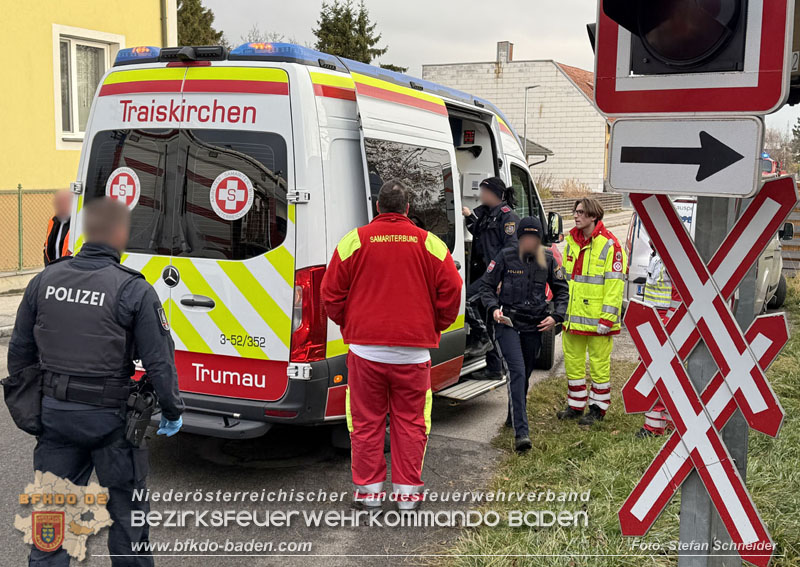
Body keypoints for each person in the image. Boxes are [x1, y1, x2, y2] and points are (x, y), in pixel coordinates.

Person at [7, 197, 184, 566]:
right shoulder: (133, 289)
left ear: (85, 231)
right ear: (121, 234)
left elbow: (19, 354)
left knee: (51, 526)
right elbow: (159, 362)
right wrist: (171, 410)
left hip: (55, 417)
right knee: (128, 521)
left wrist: (34, 412)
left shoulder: (45, 280)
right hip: (112, 423)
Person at [321, 180, 462, 512]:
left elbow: (330, 294)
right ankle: (407, 497)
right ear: (407, 209)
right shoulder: (432, 245)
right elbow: (452, 292)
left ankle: (368, 495)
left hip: (365, 353)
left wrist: (350, 322)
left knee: (366, 422)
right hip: (413, 355)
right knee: (411, 423)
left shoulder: (353, 242)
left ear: (378, 208)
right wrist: (435, 324)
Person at [479, 217, 569, 452]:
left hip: (534, 326)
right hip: (507, 323)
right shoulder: (505, 256)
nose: (530, 241)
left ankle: (513, 413)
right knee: (517, 371)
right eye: (525, 237)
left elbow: (562, 291)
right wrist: (493, 309)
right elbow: (486, 287)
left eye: (534, 237)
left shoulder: (547, 259)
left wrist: (557, 316)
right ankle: (522, 433)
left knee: (525, 373)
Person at [557, 197, 626, 426]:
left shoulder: (610, 245)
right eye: (575, 212)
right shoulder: (571, 243)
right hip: (573, 318)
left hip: (598, 320)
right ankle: (576, 405)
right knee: (573, 363)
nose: (576, 216)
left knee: (599, 366)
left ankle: (598, 408)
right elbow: (566, 281)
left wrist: (608, 317)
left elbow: (615, 285)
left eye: (581, 213)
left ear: (594, 216)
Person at [462, 177, 520, 379]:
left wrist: (505, 278)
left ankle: (483, 340)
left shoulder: (507, 217)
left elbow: (512, 250)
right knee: (490, 319)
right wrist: (469, 216)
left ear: (494, 193)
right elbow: (478, 233)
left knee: (466, 300)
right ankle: (494, 367)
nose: (480, 195)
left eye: (484, 191)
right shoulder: (487, 214)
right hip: (484, 273)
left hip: (495, 277)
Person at [637, 243, 677, 438]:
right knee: (656, 372)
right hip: (653, 320)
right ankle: (668, 421)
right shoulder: (657, 256)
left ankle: (654, 427)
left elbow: (677, 297)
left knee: (656, 374)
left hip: (663, 322)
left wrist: (667, 323)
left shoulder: (673, 259)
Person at [43, 190, 73, 266]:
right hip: (54, 269)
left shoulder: (76, 222)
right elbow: (47, 246)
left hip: (69, 270)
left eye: (61, 203)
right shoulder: (53, 221)